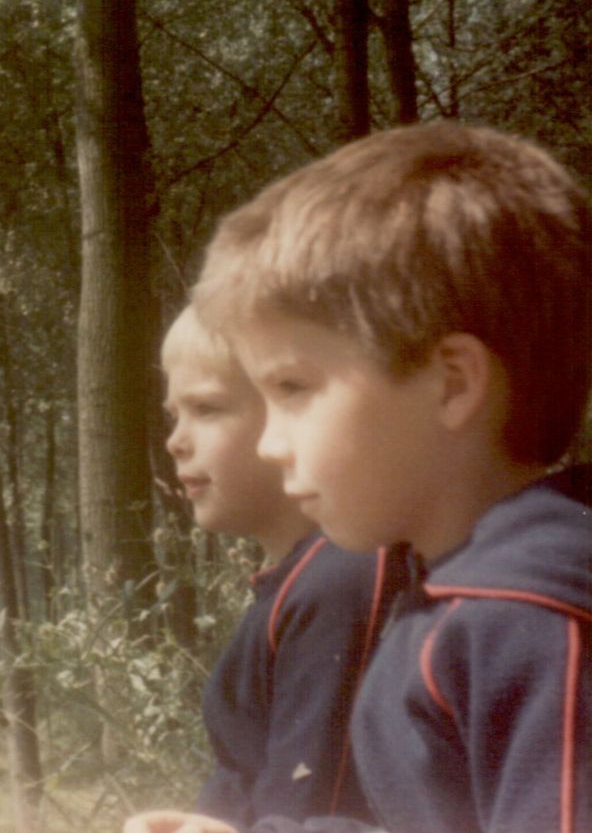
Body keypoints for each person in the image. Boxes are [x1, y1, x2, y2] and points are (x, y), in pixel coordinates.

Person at [127, 121, 591, 833]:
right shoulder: (457, 597)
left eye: (294, 389)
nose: (274, 444)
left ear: (450, 384)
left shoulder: (525, 621)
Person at [130, 305, 401, 830]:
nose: (175, 440)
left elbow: (316, 806)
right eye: (174, 415)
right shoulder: (300, 582)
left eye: (206, 409)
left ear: (296, 416)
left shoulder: (341, 581)